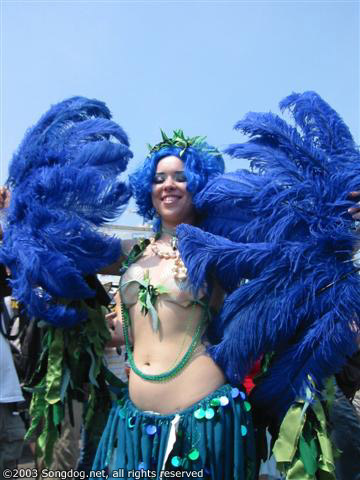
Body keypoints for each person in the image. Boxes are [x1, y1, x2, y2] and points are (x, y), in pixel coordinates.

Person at [93, 132, 257, 479]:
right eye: (159, 178)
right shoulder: (133, 251)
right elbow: (67, 245)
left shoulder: (219, 250)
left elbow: (289, 244)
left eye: (181, 177)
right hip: (136, 425)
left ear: (199, 185)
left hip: (201, 421)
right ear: (147, 189)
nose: (169, 185)